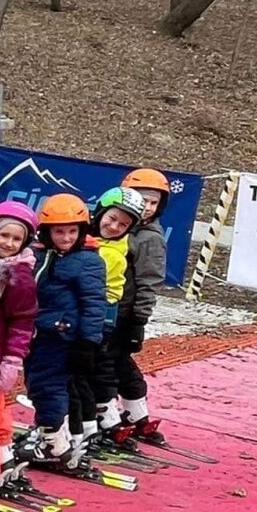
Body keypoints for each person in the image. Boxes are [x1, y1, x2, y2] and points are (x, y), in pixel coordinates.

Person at [18, 195, 106, 468]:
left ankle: (54, 443)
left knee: (48, 387)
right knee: (38, 384)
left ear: (82, 231)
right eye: (59, 231)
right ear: (47, 232)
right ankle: (53, 432)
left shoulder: (87, 261)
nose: (66, 237)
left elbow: (94, 304)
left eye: (72, 231)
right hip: (38, 332)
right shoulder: (42, 255)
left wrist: (88, 343)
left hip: (62, 335)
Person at [0, 201, 39, 485]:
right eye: (4, 236)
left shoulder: (18, 273)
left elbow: (23, 320)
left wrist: (13, 358)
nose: (10, 243)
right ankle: (3, 458)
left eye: (17, 238)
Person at [113, 168, 170, 445]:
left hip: (125, 313)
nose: (146, 207)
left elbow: (150, 282)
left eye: (153, 202)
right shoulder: (119, 226)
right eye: (141, 199)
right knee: (107, 363)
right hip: (105, 307)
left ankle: (134, 415)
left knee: (115, 363)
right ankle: (125, 414)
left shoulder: (150, 238)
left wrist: (138, 321)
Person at [87, 187, 148, 444]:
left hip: (102, 315)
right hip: (97, 314)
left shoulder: (112, 253)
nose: (113, 227)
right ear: (100, 211)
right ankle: (116, 414)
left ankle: (106, 417)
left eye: (122, 224)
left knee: (101, 366)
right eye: (111, 219)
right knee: (101, 366)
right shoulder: (92, 240)